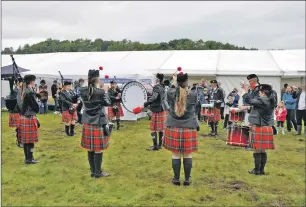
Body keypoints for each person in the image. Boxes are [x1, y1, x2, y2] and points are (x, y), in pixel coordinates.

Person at [162, 73, 198, 186]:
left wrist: (174, 82)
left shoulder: (170, 93)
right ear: (187, 82)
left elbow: (174, 91)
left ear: (177, 82)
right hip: (188, 127)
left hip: (174, 126)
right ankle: (187, 180)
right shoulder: (193, 94)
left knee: (176, 154)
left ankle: (176, 179)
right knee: (187, 154)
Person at [80, 69, 112, 178]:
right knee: (98, 148)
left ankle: (93, 171)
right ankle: (98, 172)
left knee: (90, 147)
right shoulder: (100, 92)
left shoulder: (82, 90)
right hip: (97, 121)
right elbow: (108, 103)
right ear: (97, 78)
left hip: (87, 121)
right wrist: (106, 91)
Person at [244, 84, 276, 175]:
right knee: (263, 150)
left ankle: (257, 170)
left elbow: (248, 100)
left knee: (257, 150)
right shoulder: (271, 100)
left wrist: (246, 91)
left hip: (260, 127)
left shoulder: (262, 100)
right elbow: (258, 108)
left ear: (263, 93)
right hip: (267, 127)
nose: (258, 94)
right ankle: (261, 170)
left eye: (260, 92)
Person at [18, 75, 40, 164]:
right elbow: (35, 106)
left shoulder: (21, 90)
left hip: (23, 117)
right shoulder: (29, 92)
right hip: (29, 117)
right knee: (30, 141)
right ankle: (30, 159)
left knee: (26, 141)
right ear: (32, 82)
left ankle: (28, 158)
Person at [143, 73, 167, 151]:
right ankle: (160, 145)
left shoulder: (156, 87)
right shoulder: (162, 86)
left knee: (153, 129)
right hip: (162, 109)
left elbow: (154, 97)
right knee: (161, 129)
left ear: (157, 79)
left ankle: (155, 146)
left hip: (156, 110)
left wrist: (147, 103)